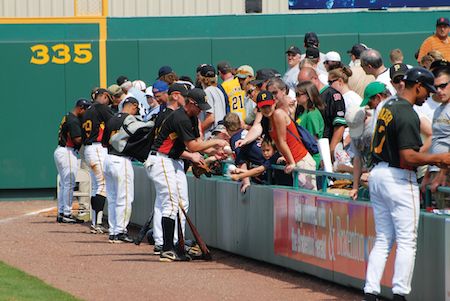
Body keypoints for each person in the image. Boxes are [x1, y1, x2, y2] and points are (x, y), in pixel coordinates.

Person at [363, 67, 450, 301]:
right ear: (417, 86)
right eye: (426, 91)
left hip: (378, 174)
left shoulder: (388, 105)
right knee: (406, 241)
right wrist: (439, 158)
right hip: (398, 178)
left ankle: (370, 292)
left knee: (383, 238)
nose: (427, 96)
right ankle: (400, 294)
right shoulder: (408, 113)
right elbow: (409, 157)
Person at [145, 88, 228, 261]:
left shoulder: (191, 118)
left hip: (174, 160)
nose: (201, 111)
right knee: (170, 203)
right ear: (190, 103)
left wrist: (214, 151)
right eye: (199, 107)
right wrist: (218, 141)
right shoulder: (180, 117)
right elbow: (193, 148)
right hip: (161, 160)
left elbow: (198, 143)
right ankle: (166, 248)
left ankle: (177, 245)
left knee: (182, 202)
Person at [102, 97, 145, 243]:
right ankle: (120, 231)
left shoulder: (112, 119)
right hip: (121, 160)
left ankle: (114, 231)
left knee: (113, 198)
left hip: (108, 159)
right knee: (125, 198)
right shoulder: (130, 120)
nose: (136, 111)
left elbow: (104, 143)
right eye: (136, 108)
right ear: (133, 106)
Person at [256, 90, 317, 190]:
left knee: (309, 199)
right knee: (301, 200)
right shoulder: (267, 121)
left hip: (301, 161)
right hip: (294, 161)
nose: (267, 109)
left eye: (269, 105)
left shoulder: (278, 114)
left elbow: (282, 141)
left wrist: (291, 162)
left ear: (274, 103)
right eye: (263, 107)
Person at [81, 88, 114, 234]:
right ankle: (98, 223)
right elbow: (114, 122)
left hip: (89, 149)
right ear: (104, 96)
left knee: (96, 186)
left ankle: (95, 222)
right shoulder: (100, 107)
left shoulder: (88, 110)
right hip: (98, 148)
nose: (108, 103)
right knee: (102, 185)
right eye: (108, 99)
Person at [54, 99, 91, 223]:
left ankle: (62, 212)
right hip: (67, 152)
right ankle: (67, 214)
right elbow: (77, 139)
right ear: (81, 108)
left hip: (62, 151)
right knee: (69, 184)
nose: (85, 113)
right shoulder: (73, 120)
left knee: (64, 184)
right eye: (85, 110)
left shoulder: (68, 116)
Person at [298, 67, 346, 156]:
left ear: (315, 78)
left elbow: (339, 127)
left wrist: (330, 152)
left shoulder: (332, 95)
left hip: (327, 148)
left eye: (305, 82)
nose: (302, 86)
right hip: (310, 151)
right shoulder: (303, 100)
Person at [421, 61, 450, 208]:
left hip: (446, 174)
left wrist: (442, 175)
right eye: (436, 87)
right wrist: (428, 174)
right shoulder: (439, 109)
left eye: (443, 86)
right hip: (436, 172)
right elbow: (435, 142)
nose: (439, 91)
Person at [295, 81, 325, 169]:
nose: (296, 97)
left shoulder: (312, 114)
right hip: (304, 156)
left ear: (308, 95)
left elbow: (313, 140)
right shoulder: (303, 113)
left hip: (312, 158)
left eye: (298, 94)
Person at [198, 64, 227, 138]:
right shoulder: (219, 91)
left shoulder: (207, 92)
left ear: (201, 78)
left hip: (211, 135)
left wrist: (198, 130)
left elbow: (211, 118)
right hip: (220, 132)